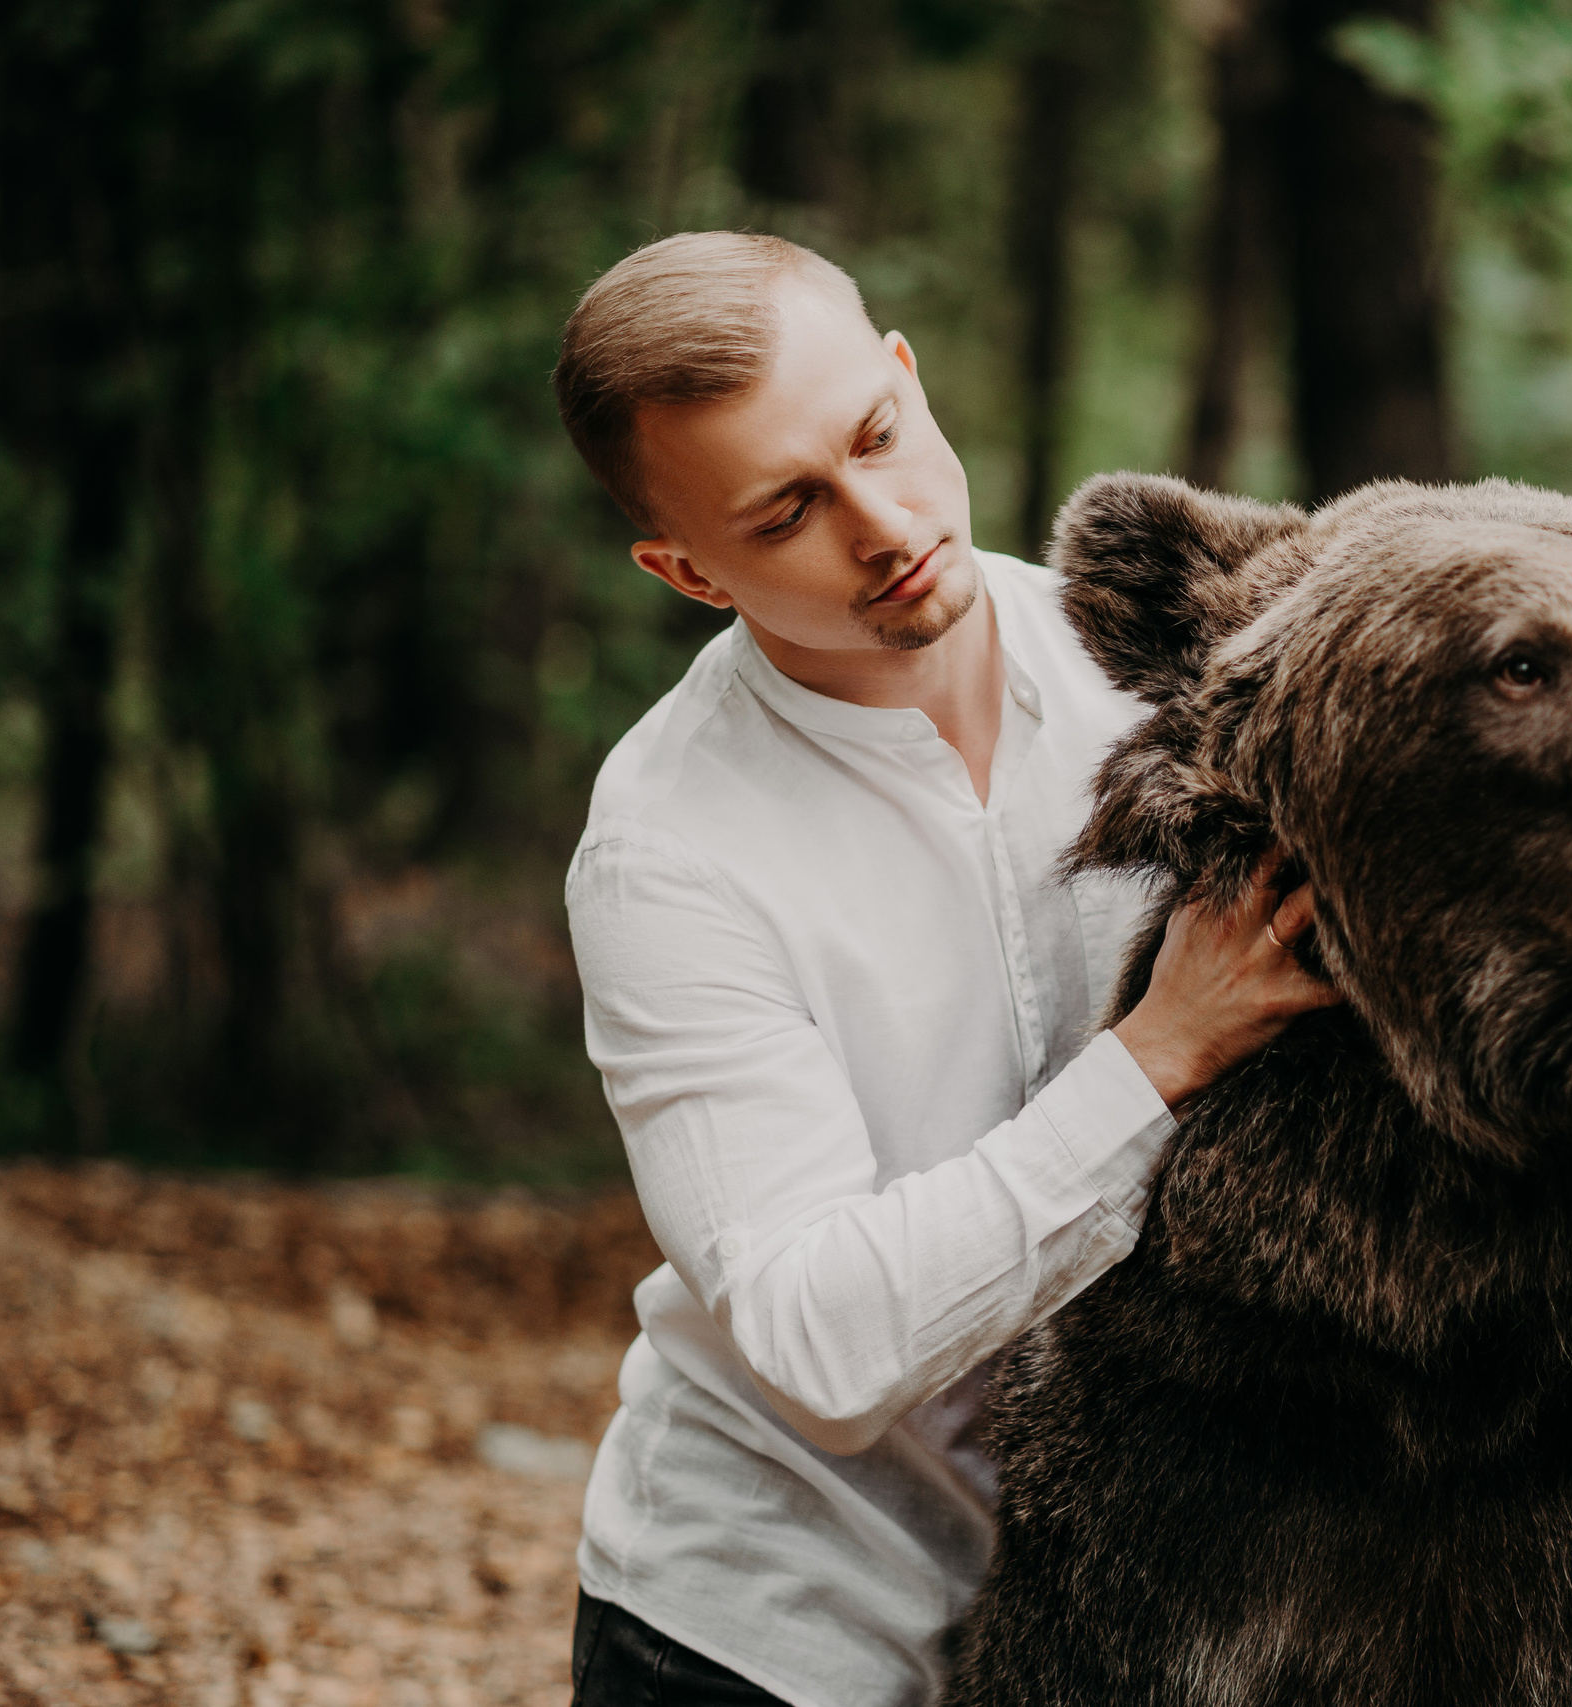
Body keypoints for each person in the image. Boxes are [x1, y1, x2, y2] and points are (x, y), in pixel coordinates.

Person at [552, 231, 1336, 1707]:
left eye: (876, 436)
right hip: (771, 1634)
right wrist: (1160, 1056)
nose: (882, 520)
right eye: (787, 511)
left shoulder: (1169, 676)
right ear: (686, 570)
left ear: (904, 373)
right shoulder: (666, 850)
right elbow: (819, 1340)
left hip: (1132, 1633)